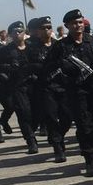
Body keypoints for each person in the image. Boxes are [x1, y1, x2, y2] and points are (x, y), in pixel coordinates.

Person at [46, 9, 93, 176]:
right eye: (74, 23)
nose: (78, 25)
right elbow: (49, 68)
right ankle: (90, 160)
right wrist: (64, 72)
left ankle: (88, 145)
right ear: (67, 25)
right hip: (76, 91)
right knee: (84, 125)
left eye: (80, 22)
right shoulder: (61, 46)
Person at [26, 16, 71, 163]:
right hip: (44, 87)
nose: (47, 30)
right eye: (43, 28)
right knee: (51, 118)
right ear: (37, 31)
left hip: (62, 86)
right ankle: (58, 148)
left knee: (67, 117)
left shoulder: (59, 45)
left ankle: (56, 137)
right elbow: (28, 67)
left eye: (49, 27)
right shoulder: (31, 48)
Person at [0, 21, 38, 154]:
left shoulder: (32, 47)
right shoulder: (5, 50)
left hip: (34, 84)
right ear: (11, 35)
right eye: (14, 32)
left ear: (25, 33)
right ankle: (31, 141)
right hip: (17, 86)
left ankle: (31, 131)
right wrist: (9, 67)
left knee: (37, 113)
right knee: (24, 113)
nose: (18, 34)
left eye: (20, 31)